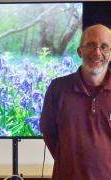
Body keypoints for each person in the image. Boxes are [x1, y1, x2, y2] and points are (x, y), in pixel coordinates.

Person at [40, 24, 111, 180]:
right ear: (80, 51)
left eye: (104, 47)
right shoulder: (58, 88)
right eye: (91, 45)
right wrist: (69, 164)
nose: (97, 52)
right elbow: (49, 134)